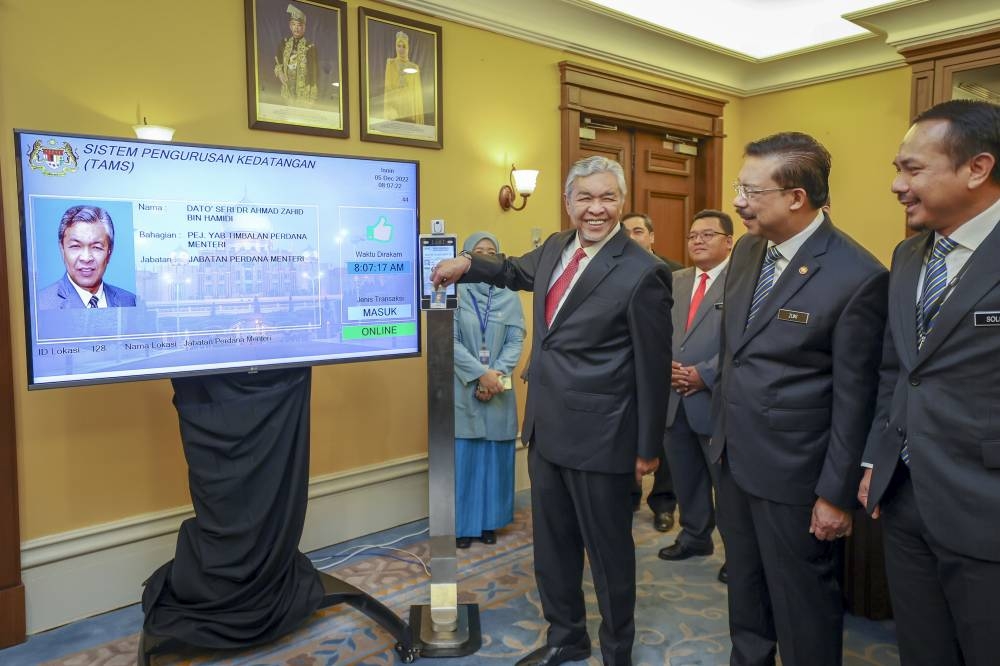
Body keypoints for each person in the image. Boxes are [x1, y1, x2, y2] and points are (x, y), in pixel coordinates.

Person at [431, 155, 672, 666]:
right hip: (545, 427)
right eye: (585, 198)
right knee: (554, 548)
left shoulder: (643, 271)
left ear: (622, 202)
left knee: (609, 557)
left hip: (603, 437)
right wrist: (467, 263)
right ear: (568, 203)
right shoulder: (557, 248)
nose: (596, 209)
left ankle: (616, 651)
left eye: (607, 197)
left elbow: (653, 366)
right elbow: (514, 269)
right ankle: (566, 637)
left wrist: (649, 446)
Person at [712, 132, 888, 666]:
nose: (738, 201)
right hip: (734, 458)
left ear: (796, 197)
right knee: (745, 587)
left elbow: (856, 397)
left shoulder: (858, 276)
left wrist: (835, 494)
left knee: (801, 602)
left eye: (750, 189)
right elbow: (736, 353)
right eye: (738, 187)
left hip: (797, 475)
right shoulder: (746, 250)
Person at [857, 99, 1000, 666]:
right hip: (906, 496)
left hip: (987, 502)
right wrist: (876, 457)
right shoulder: (909, 256)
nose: (897, 184)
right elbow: (898, 370)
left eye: (913, 169)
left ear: (977, 168)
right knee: (922, 648)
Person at [657, 210, 732, 586]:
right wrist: (666, 367)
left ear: (729, 241)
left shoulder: (742, 281)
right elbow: (659, 331)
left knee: (727, 485)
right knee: (686, 477)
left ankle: (737, 554)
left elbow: (744, 342)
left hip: (717, 400)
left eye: (708, 234)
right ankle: (695, 536)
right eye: (692, 235)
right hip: (674, 396)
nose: (698, 241)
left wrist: (704, 374)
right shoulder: (674, 281)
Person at [453, 232, 526, 549]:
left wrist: (495, 377)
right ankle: (462, 525)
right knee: (465, 458)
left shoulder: (510, 295)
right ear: (466, 258)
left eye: (491, 253)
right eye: (477, 253)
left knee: (494, 460)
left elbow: (516, 341)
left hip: (499, 387)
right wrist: (480, 374)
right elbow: (448, 341)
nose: (484, 258)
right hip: (463, 385)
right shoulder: (453, 292)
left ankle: (489, 523)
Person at [621, 211, 679, 530]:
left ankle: (664, 503)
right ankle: (628, 496)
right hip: (625, 371)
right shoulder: (612, 272)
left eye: (639, 231)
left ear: (652, 236)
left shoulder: (676, 273)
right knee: (627, 435)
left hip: (667, 368)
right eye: (625, 232)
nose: (632, 238)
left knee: (665, 437)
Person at [38, 205, 136, 309]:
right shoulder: (40, 303)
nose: (86, 258)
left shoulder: (130, 301)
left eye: (96, 247)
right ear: (62, 249)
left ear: (109, 252)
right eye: (75, 246)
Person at [273, 4, 318, 106]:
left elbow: (314, 72)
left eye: (299, 25)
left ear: (304, 27)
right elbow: (277, 62)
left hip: (303, 91)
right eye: (294, 24)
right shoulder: (284, 43)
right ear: (290, 25)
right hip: (287, 89)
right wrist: (280, 74)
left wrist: (312, 94)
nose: (296, 28)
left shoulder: (310, 47)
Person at [382, 30, 424, 123]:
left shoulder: (414, 67)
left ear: (408, 48)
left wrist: (418, 119)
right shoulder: (391, 63)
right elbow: (388, 88)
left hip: (409, 108)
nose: (401, 49)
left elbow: (417, 94)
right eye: (399, 46)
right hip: (395, 106)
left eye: (404, 46)